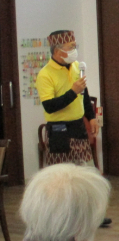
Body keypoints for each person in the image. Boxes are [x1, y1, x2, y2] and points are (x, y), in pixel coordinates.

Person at [37, 30, 110, 227]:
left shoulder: (76, 66)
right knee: (60, 178)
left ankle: (93, 215)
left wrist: (92, 117)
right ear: (58, 51)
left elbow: (84, 95)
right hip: (59, 130)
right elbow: (50, 106)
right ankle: (59, 218)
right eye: (70, 47)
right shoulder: (45, 74)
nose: (74, 50)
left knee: (87, 173)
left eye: (74, 45)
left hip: (78, 126)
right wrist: (72, 92)